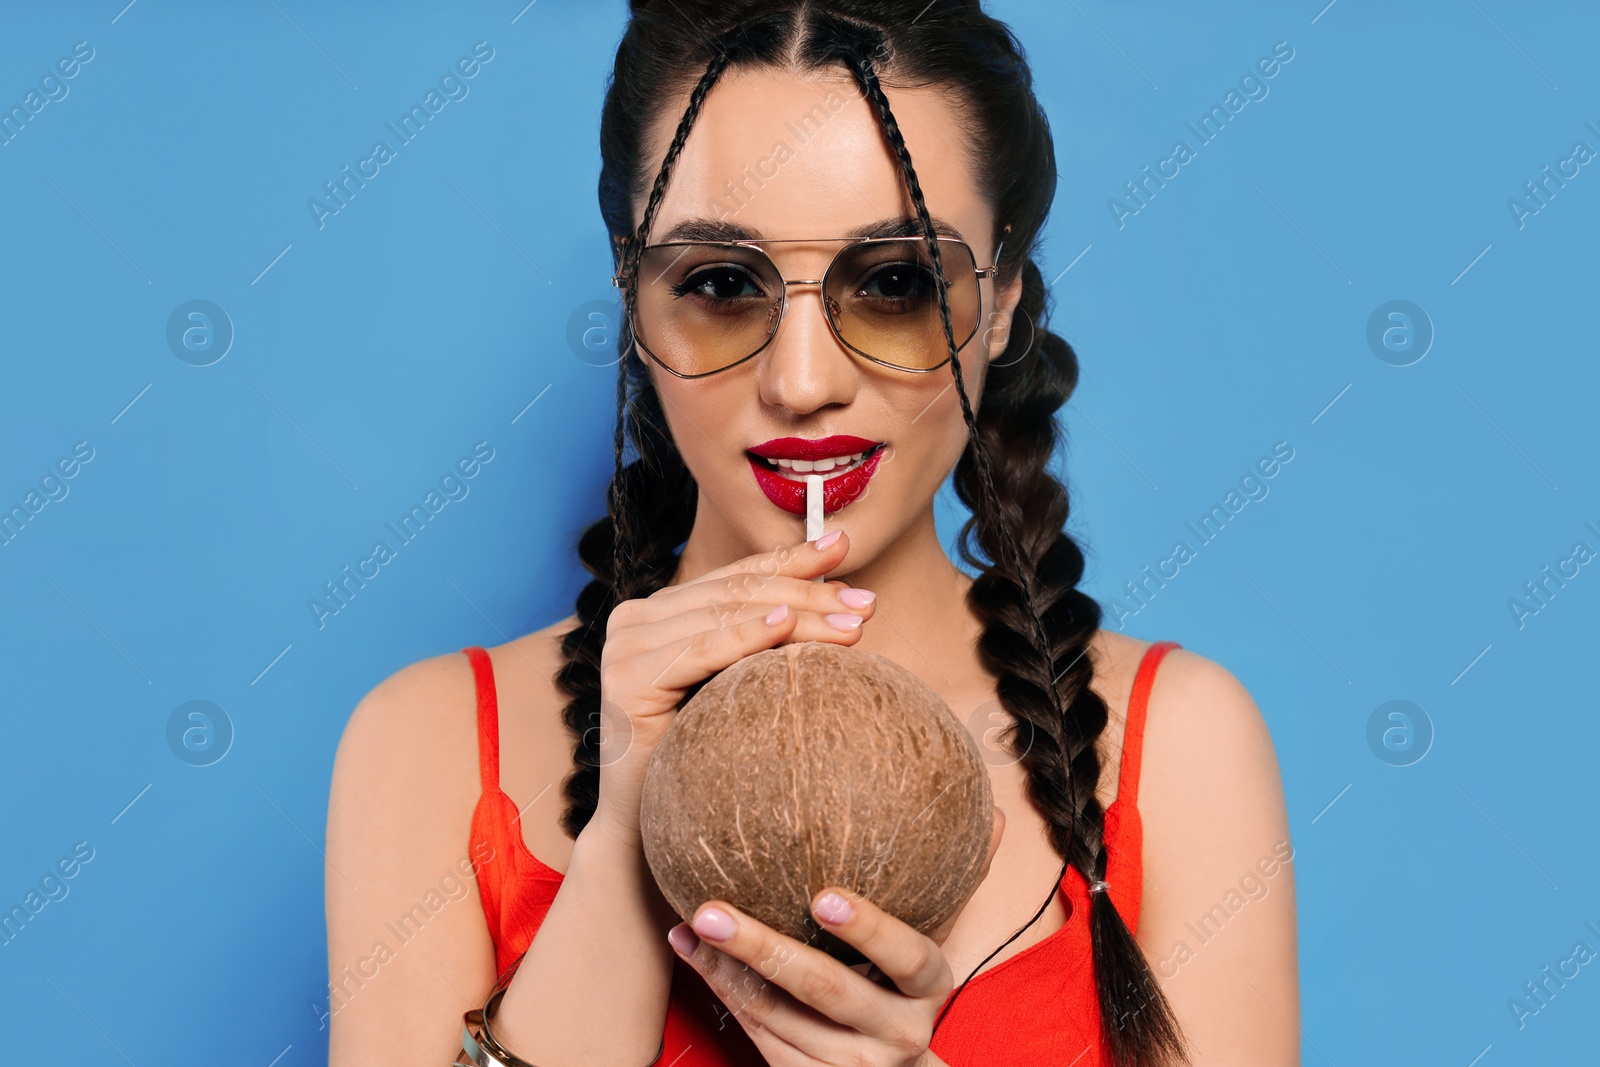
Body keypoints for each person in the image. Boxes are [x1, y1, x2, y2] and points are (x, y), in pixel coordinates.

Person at [325, 2, 1299, 1064]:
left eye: (894, 283)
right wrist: (617, 846)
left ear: (1006, 296)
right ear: (633, 293)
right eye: (720, 284)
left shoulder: (1176, 751)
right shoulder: (430, 749)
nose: (801, 382)